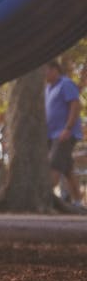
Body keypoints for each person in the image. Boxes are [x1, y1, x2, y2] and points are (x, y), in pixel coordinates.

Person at [44, 59, 83, 206]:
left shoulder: (66, 84)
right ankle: (78, 202)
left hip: (63, 134)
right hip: (51, 135)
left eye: (45, 70)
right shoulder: (47, 88)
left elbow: (75, 105)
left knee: (53, 165)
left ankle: (45, 200)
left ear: (55, 70)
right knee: (68, 170)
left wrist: (68, 128)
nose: (43, 74)